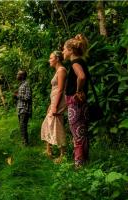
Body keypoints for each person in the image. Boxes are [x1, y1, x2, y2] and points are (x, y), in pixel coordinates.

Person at [62, 34, 89, 169]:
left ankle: (79, 164)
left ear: (71, 50)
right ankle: (85, 160)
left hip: (75, 101)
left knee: (77, 132)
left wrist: (78, 91)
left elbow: (82, 77)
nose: (63, 52)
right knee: (81, 131)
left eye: (64, 49)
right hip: (80, 102)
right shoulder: (81, 61)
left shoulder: (75, 63)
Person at [41, 51, 67, 163]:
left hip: (59, 102)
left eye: (50, 58)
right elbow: (54, 90)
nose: (49, 60)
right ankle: (49, 150)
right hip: (54, 101)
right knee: (48, 123)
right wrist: (50, 105)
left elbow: (61, 90)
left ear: (57, 58)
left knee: (56, 125)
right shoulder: (57, 71)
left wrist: (55, 106)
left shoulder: (61, 70)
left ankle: (63, 154)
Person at [15, 70, 32, 146]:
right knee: (22, 127)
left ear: (22, 76)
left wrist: (18, 95)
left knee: (23, 126)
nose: (17, 75)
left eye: (18, 74)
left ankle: (25, 144)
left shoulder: (26, 84)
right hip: (20, 109)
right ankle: (24, 143)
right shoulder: (21, 85)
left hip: (24, 109)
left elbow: (28, 97)